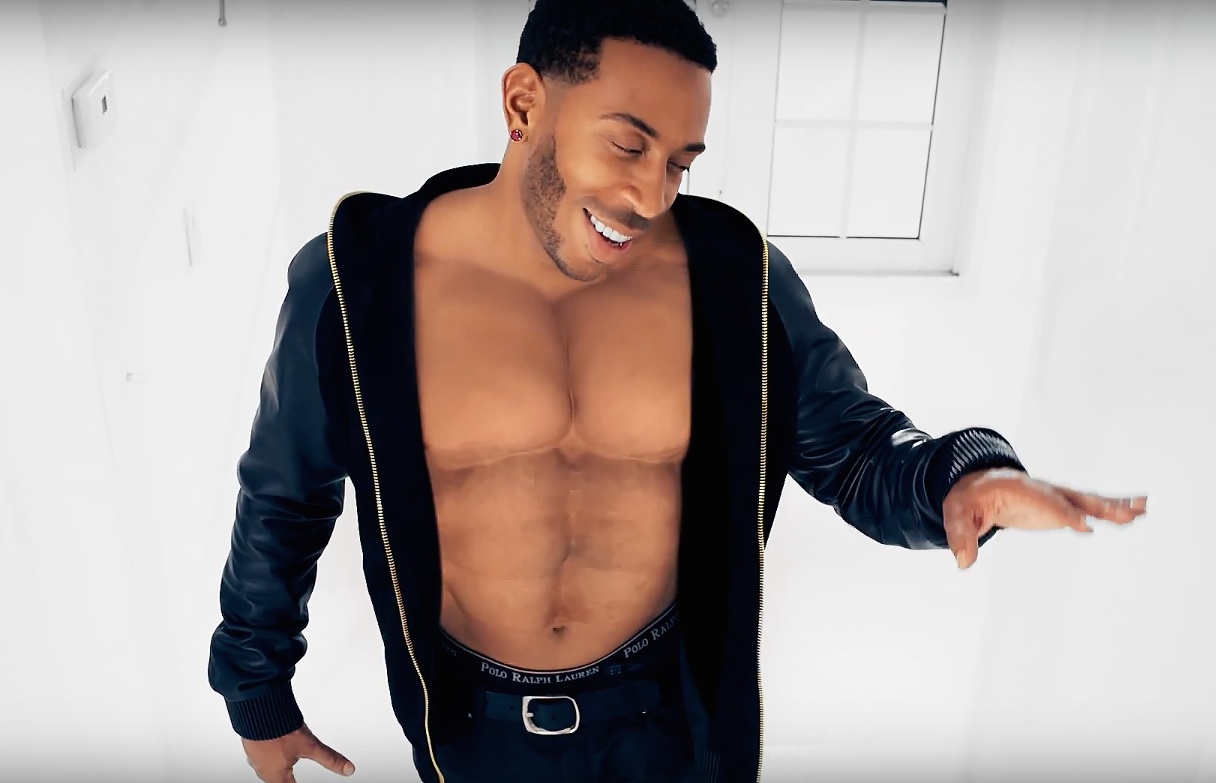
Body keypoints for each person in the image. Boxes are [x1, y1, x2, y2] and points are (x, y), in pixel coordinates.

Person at [207, 1, 1148, 781]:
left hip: (666, 718)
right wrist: (257, 689)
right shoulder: (355, 283)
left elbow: (856, 448)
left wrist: (961, 477)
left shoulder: (733, 282)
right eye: (628, 146)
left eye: (681, 163)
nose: (652, 196)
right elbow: (284, 496)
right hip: (472, 725)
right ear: (525, 103)